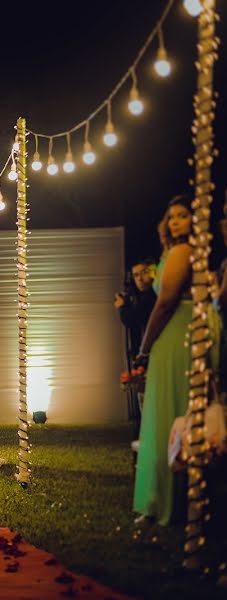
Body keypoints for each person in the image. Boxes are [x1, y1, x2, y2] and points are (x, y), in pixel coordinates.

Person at [133, 195, 221, 526]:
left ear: (195, 220)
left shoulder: (183, 251)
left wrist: (145, 344)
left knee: (169, 410)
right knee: (173, 408)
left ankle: (165, 500)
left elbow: (166, 301)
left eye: (183, 216)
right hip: (179, 330)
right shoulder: (178, 251)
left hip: (177, 332)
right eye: (171, 216)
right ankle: (178, 497)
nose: (175, 222)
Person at [115, 259, 157, 357]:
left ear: (152, 272)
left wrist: (123, 305)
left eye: (144, 273)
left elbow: (132, 320)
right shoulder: (137, 293)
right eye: (136, 275)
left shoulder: (153, 295)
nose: (140, 279)